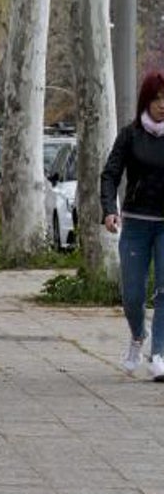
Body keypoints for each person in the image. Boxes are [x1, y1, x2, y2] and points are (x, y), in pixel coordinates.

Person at [101, 70, 164, 380]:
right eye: (157, 99)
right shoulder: (130, 135)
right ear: (146, 100)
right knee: (133, 295)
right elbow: (110, 174)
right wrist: (108, 209)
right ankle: (138, 335)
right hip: (137, 223)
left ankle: (159, 355)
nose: (162, 105)